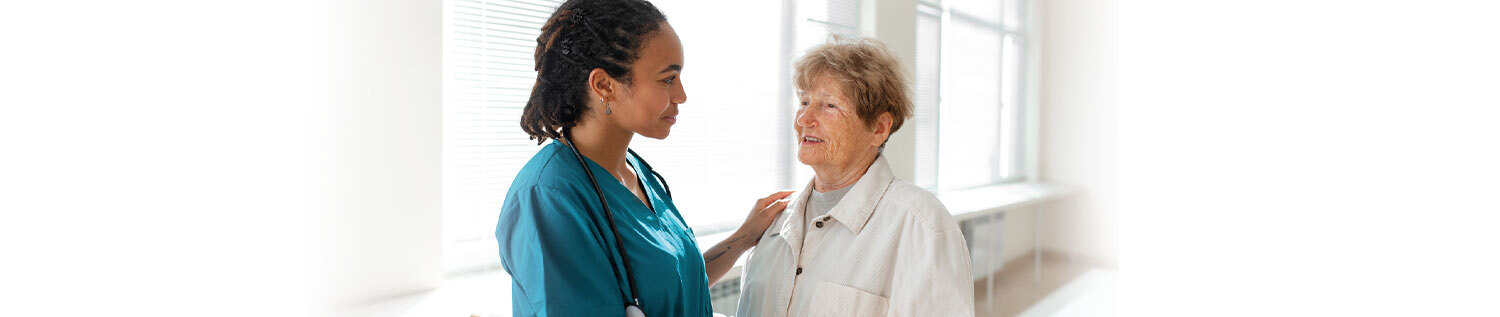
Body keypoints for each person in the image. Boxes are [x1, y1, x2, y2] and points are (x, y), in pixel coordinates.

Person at [495, 0, 792, 316]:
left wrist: (744, 237)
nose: (681, 95)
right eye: (668, 79)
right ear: (604, 85)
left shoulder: (637, 172)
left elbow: (670, 288)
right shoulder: (549, 198)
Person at [735, 36, 976, 316]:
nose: (804, 120)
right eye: (804, 102)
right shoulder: (773, 223)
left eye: (829, 106)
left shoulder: (921, 226)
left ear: (879, 128)